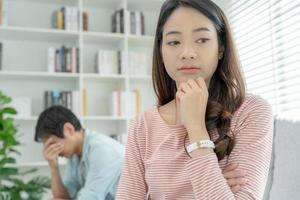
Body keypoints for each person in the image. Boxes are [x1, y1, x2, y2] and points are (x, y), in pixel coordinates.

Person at [116, 0, 273, 199]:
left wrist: (196, 128)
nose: (187, 53)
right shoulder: (143, 124)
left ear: (221, 48)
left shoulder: (251, 111)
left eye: (202, 39)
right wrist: (213, 185)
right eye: (174, 42)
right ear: (161, 51)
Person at [34, 105, 124, 200]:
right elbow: (64, 196)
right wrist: (53, 167)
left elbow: (91, 198)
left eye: (53, 143)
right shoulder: (75, 154)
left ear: (69, 129)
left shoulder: (103, 151)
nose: (52, 150)